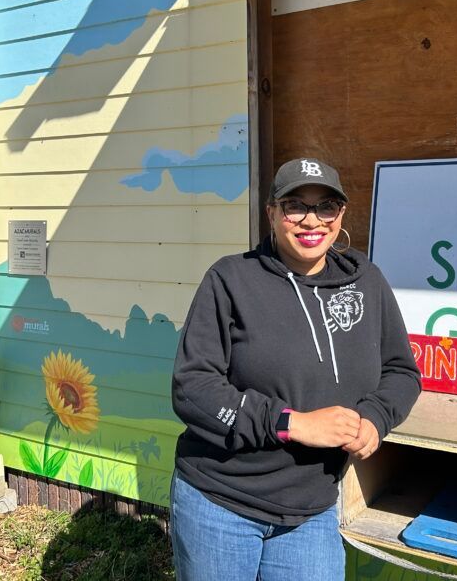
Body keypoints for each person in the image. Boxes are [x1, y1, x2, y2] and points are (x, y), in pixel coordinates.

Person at [170, 157, 421, 581]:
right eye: (294, 205)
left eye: (326, 207)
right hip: (221, 502)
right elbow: (192, 388)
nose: (312, 220)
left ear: (341, 215)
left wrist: (375, 419)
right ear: (271, 213)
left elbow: (401, 371)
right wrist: (288, 423)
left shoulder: (367, 282)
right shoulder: (230, 279)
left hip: (312, 508)